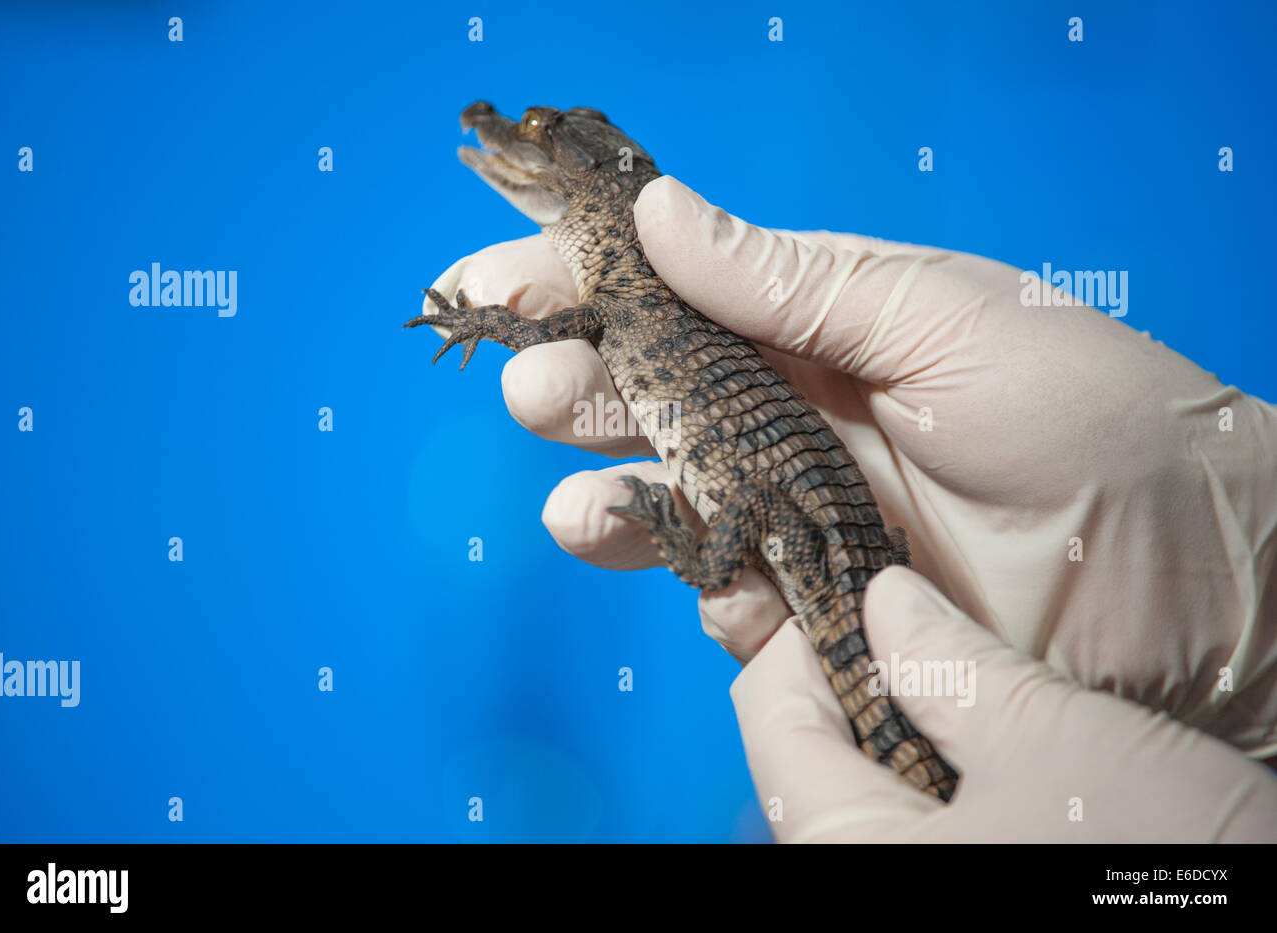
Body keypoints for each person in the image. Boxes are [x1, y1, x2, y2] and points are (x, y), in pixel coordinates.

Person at [423, 175, 1277, 841]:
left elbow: (543, 332)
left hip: (806, 520)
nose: (503, 133)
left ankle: (701, 558)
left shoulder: (630, 289)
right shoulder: (619, 295)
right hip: (825, 527)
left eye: (541, 128)